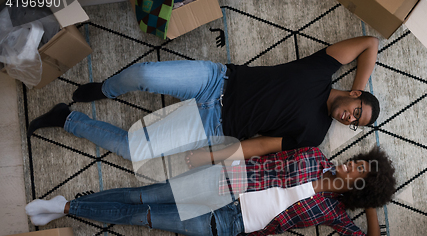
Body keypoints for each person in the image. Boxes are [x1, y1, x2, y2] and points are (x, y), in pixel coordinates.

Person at [27, 36, 380, 167]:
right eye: (357, 111)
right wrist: (359, 89)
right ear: (354, 94)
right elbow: (369, 43)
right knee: (146, 75)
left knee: (134, 151)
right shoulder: (322, 71)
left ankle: (66, 119)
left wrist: (210, 156)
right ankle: (106, 90)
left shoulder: (315, 133)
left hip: (212, 126)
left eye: (354, 123)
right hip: (218, 80)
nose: (350, 118)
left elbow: (257, 147)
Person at [25, 146, 396, 236]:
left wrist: (371, 206)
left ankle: (69, 208)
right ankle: (66, 207)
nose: (351, 165)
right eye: (359, 160)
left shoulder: (333, 213)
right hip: (223, 183)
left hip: (229, 224)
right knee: (144, 195)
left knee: (144, 217)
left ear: (358, 188)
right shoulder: (314, 155)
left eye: (359, 172)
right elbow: (263, 155)